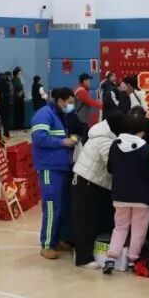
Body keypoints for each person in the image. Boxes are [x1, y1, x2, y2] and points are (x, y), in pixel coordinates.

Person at [104, 116, 149, 274]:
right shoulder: (145, 148)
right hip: (141, 196)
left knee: (120, 227)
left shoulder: (115, 144)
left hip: (120, 194)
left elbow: (110, 168)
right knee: (138, 230)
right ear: (141, 131)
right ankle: (132, 260)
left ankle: (110, 258)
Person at [72, 112, 125, 269]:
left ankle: (84, 254)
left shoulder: (102, 133)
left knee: (89, 220)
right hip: (86, 183)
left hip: (88, 181)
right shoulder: (105, 140)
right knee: (85, 222)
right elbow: (112, 164)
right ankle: (83, 259)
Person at [31, 88, 77, 259]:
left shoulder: (59, 115)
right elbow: (39, 138)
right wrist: (63, 142)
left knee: (61, 207)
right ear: (60, 101)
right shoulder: (44, 114)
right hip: (49, 167)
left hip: (61, 167)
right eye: (69, 103)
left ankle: (56, 240)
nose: (70, 106)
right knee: (51, 207)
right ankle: (47, 245)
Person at [73, 73, 102, 140]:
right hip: (81, 120)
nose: (89, 82)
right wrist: (104, 106)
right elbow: (90, 102)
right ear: (84, 81)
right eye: (88, 80)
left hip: (79, 119)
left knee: (83, 137)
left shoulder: (78, 88)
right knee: (83, 138)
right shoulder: (82, 91)